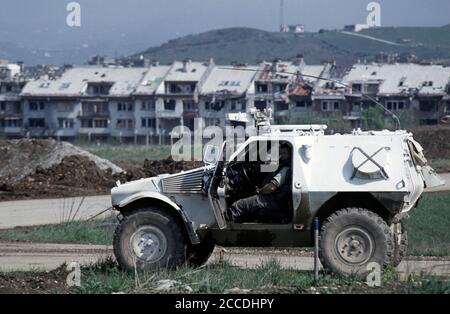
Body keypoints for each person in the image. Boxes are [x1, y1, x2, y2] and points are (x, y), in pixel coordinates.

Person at [225, 143, 292, 223]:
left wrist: (259, 191)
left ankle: (222, 222)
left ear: (290, 154)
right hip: (277, 198)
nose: (281, 156)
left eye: (284, 153)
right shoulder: (284, 166)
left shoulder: (286, 169)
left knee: (240, 204)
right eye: (280, 153)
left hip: (275, 200)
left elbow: (271, 187)